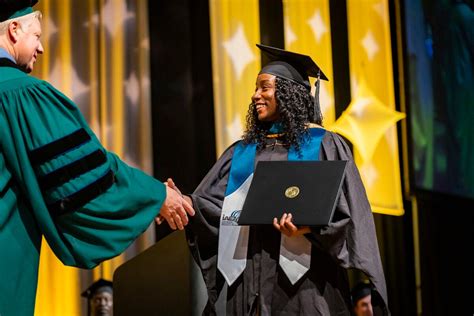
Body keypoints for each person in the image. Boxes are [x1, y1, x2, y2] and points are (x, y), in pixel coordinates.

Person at [163, 44, 389, 315]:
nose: (255, 95)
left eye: (264, 87)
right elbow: (211, 206)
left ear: (288, 93)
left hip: (305, 289)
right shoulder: (242, 152)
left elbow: (351, 216)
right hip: (246, 288)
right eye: (256, 88)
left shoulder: (324, 145)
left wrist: (308, 229)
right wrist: (179, 200)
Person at [0, 1, 194, 315]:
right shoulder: (20, 95)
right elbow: (82, 179)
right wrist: (155, 196)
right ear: (14, 30)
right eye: (37, 36)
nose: (41, 49)